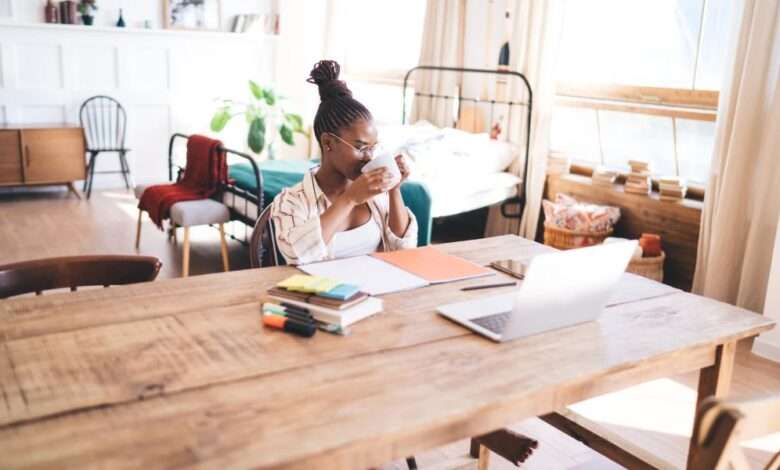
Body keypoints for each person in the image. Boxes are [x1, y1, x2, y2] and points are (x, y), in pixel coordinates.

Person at [269, 60, 418, 265]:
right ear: (328, 142)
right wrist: (349, 199)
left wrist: (394, 189)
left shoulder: (375, 195)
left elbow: (403, 251)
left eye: (373, 148)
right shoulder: (292, 202)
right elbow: (297, 256)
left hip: (377, 291)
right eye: (361, 147)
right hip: (325, 294)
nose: (369, 157)